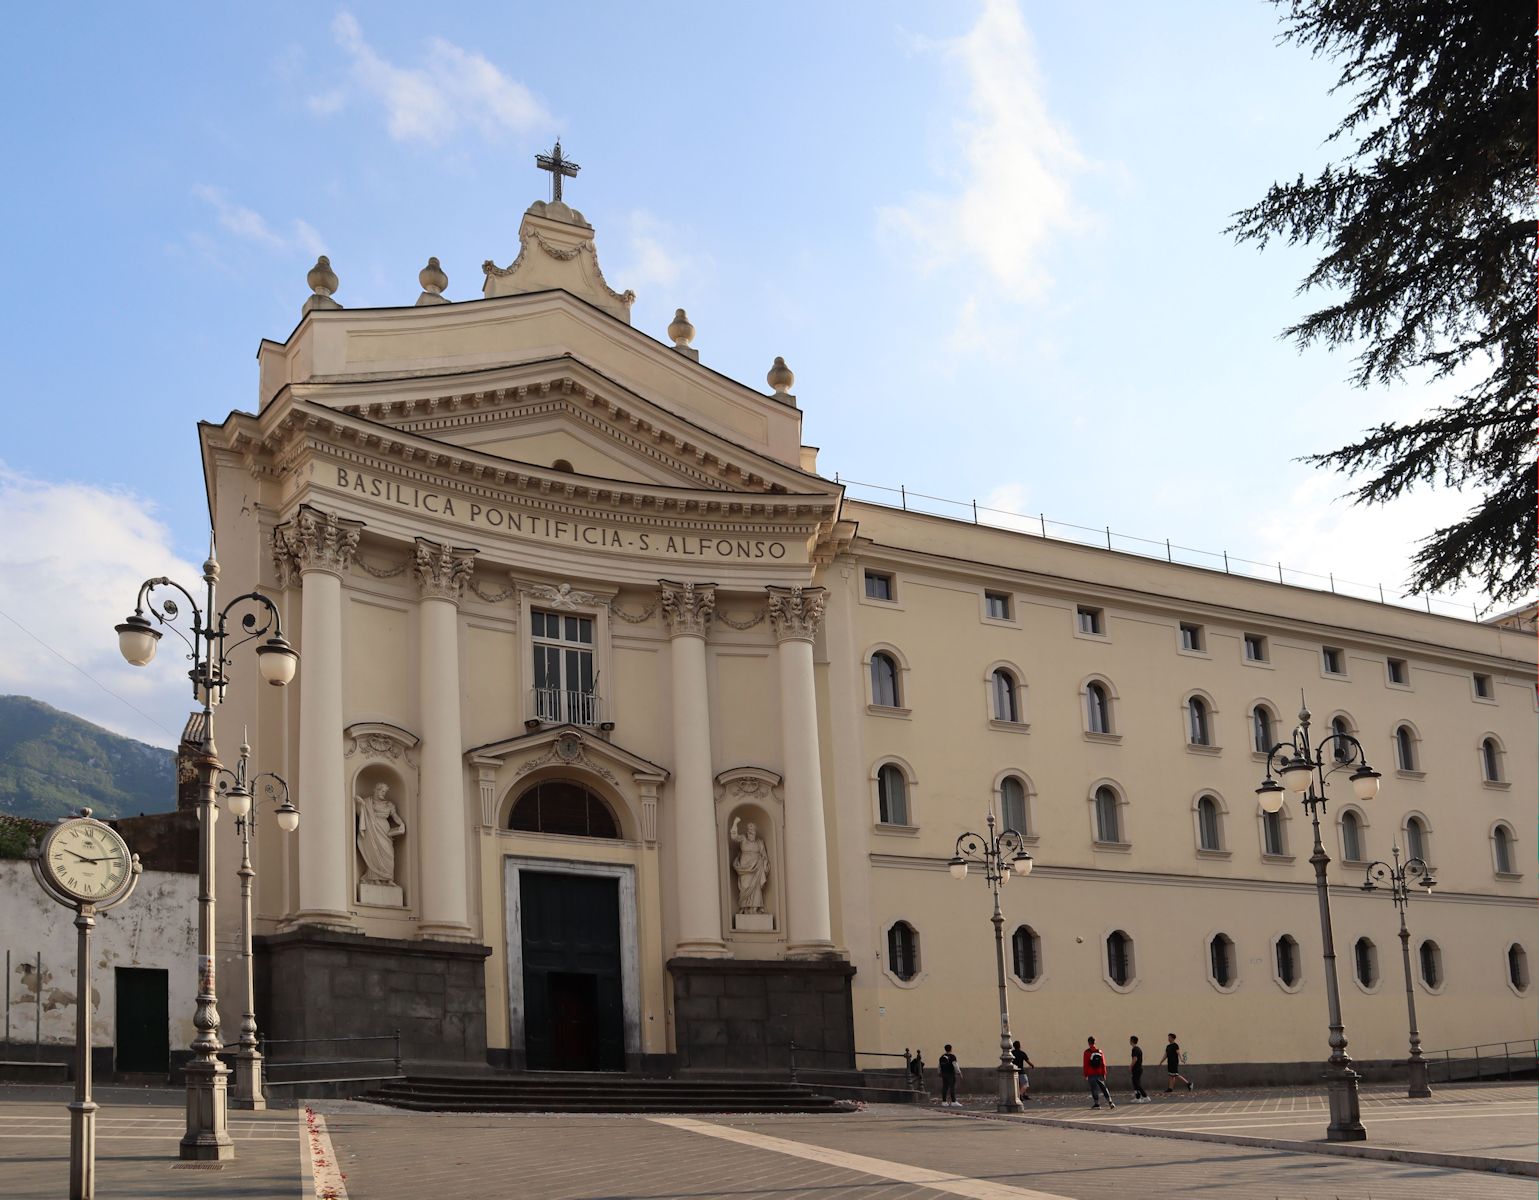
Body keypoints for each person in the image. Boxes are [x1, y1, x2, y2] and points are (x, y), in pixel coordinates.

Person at [1083, 1036, 1115, 1109]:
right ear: (1095, 1042)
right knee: (1104, 1088)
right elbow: (1103, 1063)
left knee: (1094, 1089)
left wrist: (1085, 1074)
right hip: (1099, 1073)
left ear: (1088, 1043)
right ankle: (1110, 1102)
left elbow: (1085, 1064)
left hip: (1091, 1073)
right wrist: (1104, 1073)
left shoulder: (1086, 1052)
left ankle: (1097, 1104)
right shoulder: (1100, 1051)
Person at [1129, 1035, 1150, 1102]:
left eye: (1130, 1040)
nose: (1129, 1041)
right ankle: (1138, 1098)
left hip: (1136, 1068)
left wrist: (1131, 1066)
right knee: (1135, 1083)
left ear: (1132, 1041)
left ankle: (1145, 1096)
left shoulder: (1135, 1049)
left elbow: (1135, 1059)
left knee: (1137, 1083)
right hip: (1138, 1068)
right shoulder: (1138, 1049)